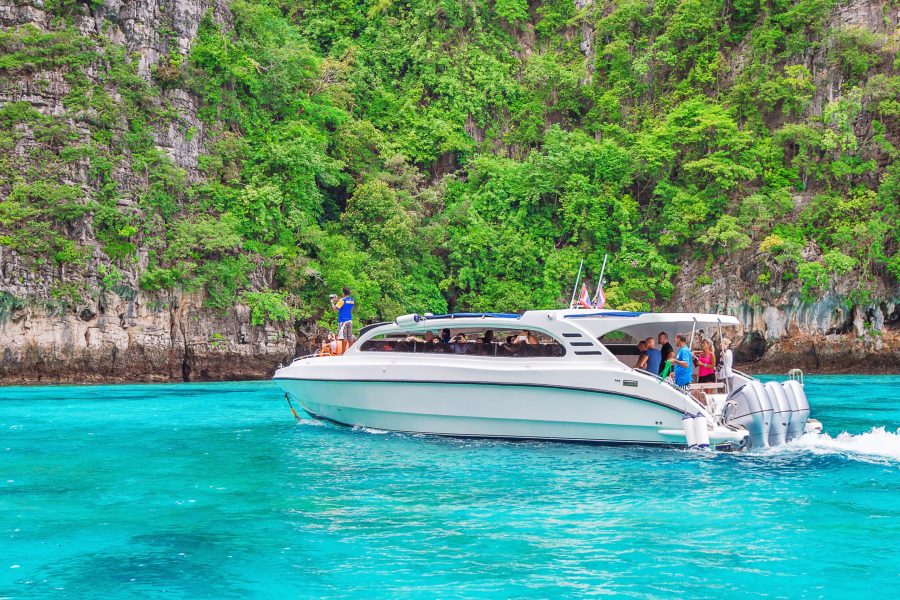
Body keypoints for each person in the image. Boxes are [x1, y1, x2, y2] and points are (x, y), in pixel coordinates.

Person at [330, 287, 355, 355]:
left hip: (343, 320)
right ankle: (351, 352)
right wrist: (338, 300)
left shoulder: (342, 300)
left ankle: (343, 353)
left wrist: (332, 302)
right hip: (350, 320)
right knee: (349, 337)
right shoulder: (352, 300)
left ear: (343, 292)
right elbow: (350, 308)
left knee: (344, 338)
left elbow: (335, 309)